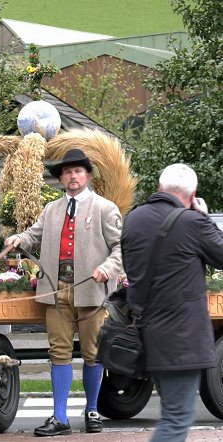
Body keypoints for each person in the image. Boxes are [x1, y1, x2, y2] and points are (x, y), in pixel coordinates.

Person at [5, 148, 122, 436]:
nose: (72, 176)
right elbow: (33, 236)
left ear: (88, 175)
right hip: (57, 291)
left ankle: (92, 410)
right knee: (59, 353)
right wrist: (19, 238)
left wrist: (108, 267)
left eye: (78, 171)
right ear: (61, 179)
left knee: (93, 353)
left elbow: (123, 248)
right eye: (67, 172)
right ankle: (59, 418)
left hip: (93, 291)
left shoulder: (105, 208)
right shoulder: (51, 210)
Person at [121, 163, 223, 441]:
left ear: (159, 188)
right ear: (193, 195)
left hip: (148, 335)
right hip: (183, 339)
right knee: (177, 420)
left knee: (173, 413)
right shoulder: (194, 222)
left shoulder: (134, 219)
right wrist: (203, 217)